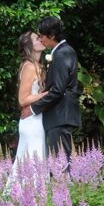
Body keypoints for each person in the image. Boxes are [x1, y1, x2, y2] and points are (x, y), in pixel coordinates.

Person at [24, 16, 80, 159]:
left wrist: (33, 108)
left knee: (60, 164)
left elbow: (57, 90)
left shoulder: (62, 54)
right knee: (60, 163)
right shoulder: (63, 51)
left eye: (42, 36)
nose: (41, 39)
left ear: (52, 36)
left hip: (60, 116)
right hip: (60, 116)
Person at [13, 32, 48, 166]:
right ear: (28, 45)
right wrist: (46, 94)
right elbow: (22, 99)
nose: (41, 39)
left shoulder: (38, 66)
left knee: (38, 163)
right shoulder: (29, 66)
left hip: (39, 119)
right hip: (32, 122)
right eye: (36, 38)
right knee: (32, 164)